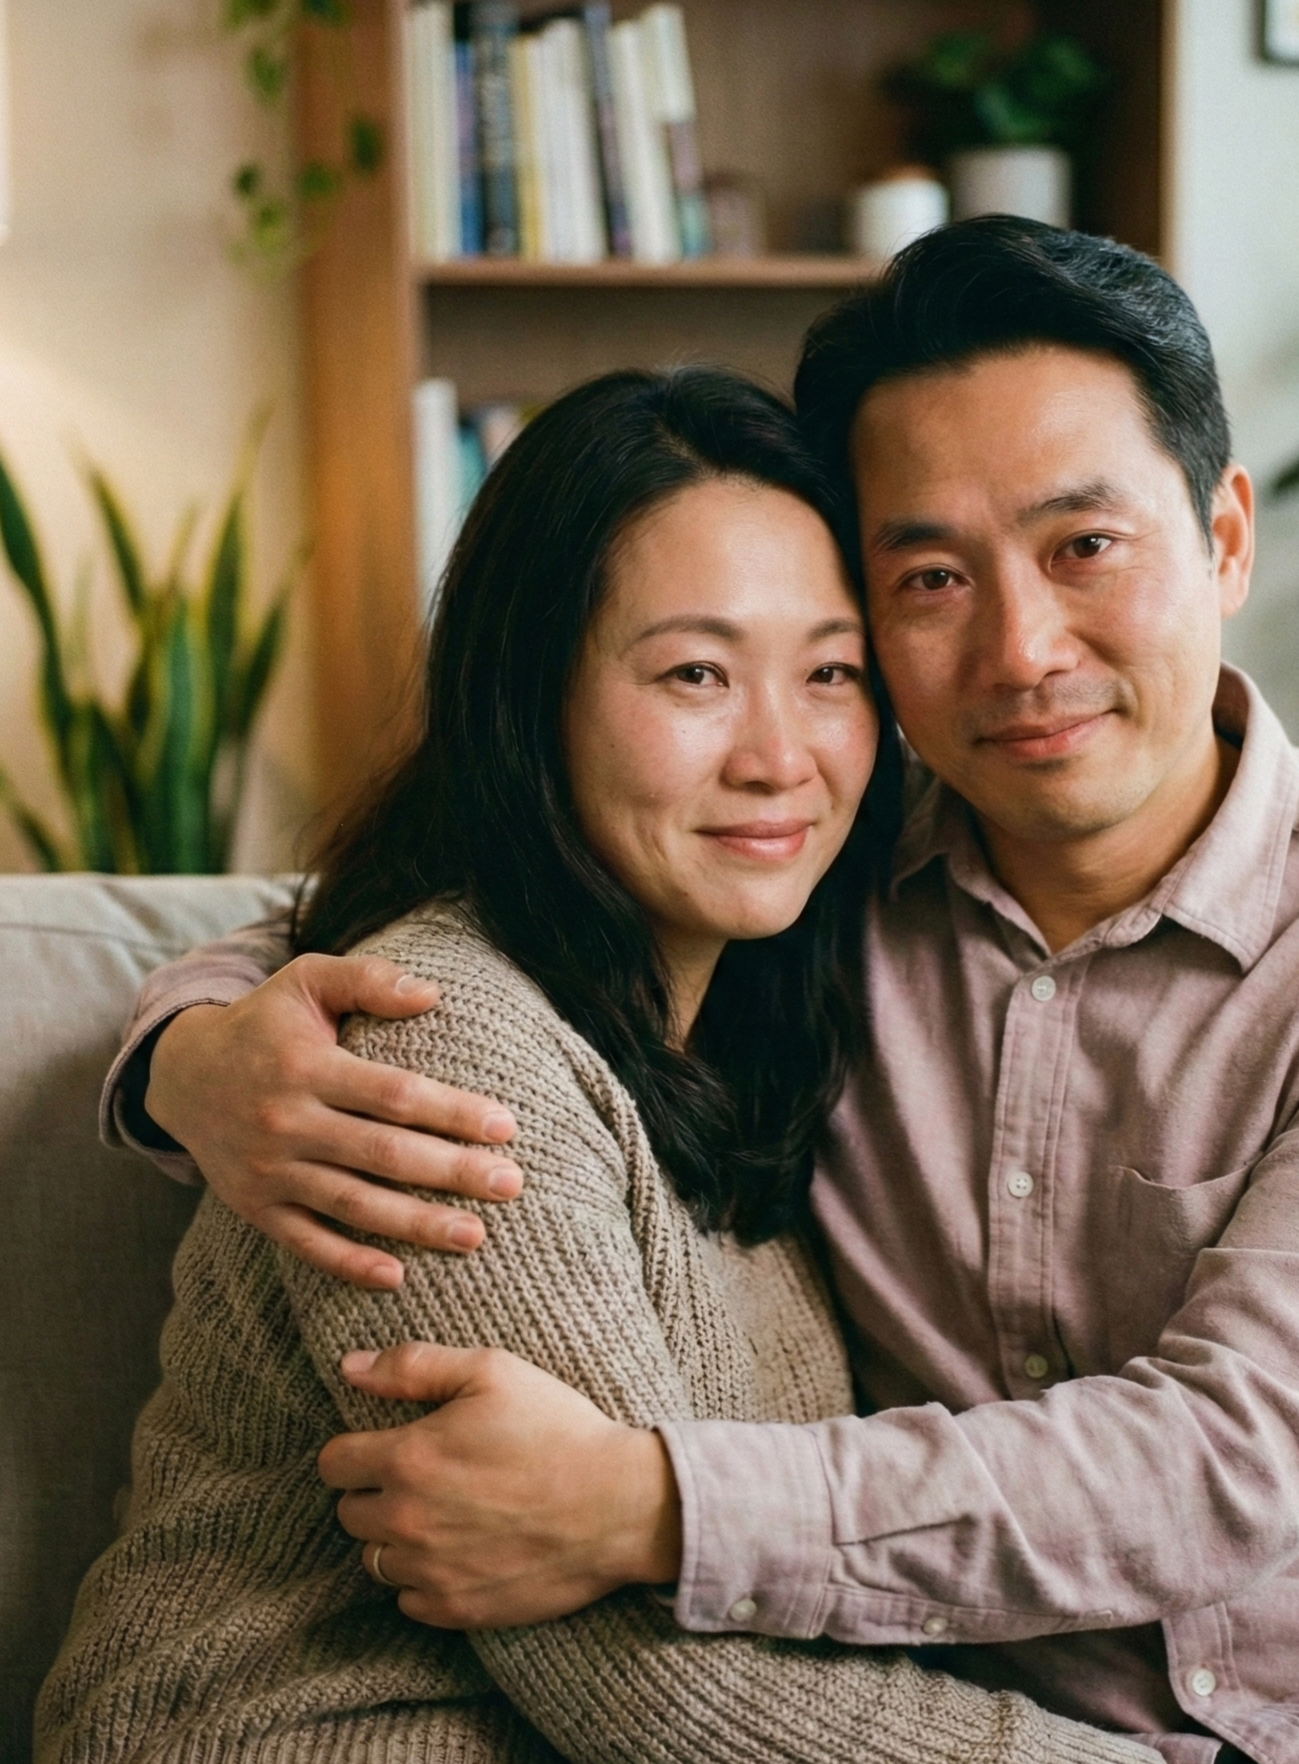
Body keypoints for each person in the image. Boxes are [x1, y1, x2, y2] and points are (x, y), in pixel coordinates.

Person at [107, 222, 1299, 1764]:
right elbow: (437, 922)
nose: (1023, 648)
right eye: (931, 580)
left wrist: (650, 1506)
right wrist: (189, 1053)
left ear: (1226, 535)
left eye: (1084, 544)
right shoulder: (810, 874)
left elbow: (1218, 1462)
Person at [38, 366, 1155, 1764]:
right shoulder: (443, 1047)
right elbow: (648, 1688)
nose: (780, 757)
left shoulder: (788, 996)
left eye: (830, 674)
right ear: (530, 694)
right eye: (694, 673)